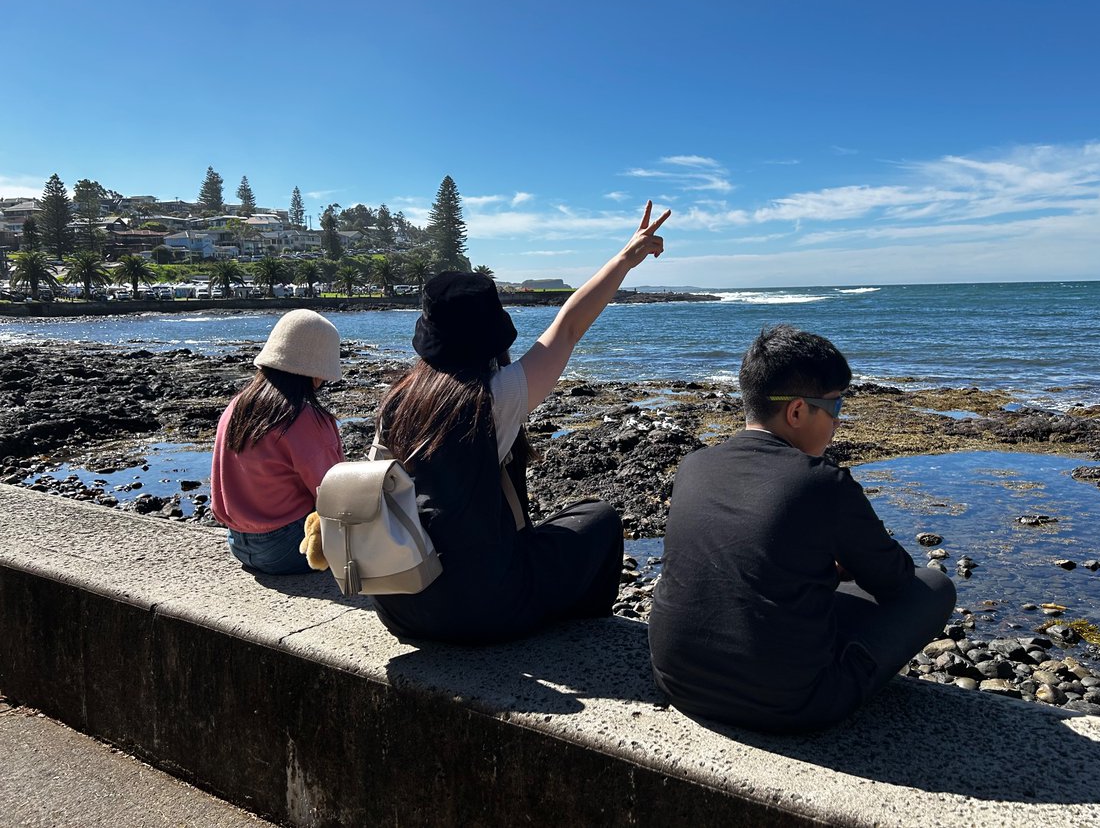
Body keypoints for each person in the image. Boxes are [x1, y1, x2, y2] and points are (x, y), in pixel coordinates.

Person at [371, 201, 670, 644]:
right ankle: (582, 633)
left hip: (400, 601)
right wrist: (626, 258)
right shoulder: (492, 398)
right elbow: (567, 327)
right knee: (599, 518)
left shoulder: (398, 400)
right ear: (491, 336)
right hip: (482, 609)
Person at [648, 325, 956, 732]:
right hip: (793, 704)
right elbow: (896, 582)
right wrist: (848, 562)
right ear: (796, 411)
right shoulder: (821, 481)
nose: (837, 423)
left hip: (678, 681)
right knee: (934, 587)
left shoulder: (695, 465)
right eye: (835, 408)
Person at [211, 309, 345, 575]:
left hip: (237, 541)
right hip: (288, 548)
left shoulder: (238, 404)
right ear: (317, 372)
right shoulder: (305, 417)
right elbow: (334, 494)